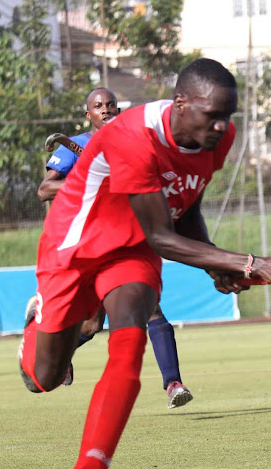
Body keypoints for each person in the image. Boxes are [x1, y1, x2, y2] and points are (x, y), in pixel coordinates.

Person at [17, 58, 271, 469]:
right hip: (74, 244)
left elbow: (184, 205)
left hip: (131, 247)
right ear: (179, 104)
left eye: (227, 117)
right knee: (45, 377)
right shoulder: (134, 137)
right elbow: (164, 237)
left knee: (129, 341)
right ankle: (37, 329)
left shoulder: (217, 139)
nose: (220, 127)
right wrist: (250, 263)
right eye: (210, 115)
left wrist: (215, 261)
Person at [40, 88, 195, 409]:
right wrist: (92, 184)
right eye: (98, 106)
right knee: (93, 324)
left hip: (129, 234)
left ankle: (174, 384)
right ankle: (58, 353)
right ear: (89, 115)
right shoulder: (77, 144)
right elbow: (45, 189)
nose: (106, 109)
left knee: (151, 308)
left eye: (111, 104)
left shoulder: (133, 141)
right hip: (90, 237)